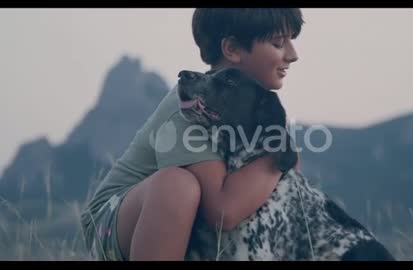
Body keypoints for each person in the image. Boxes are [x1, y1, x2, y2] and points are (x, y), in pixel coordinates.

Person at [80, 8, 304, 261]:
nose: (293, 55)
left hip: (190, 234)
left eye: (291, 41)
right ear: (232, 49)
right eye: (278, 43)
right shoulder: (189, 106)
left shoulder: (259, 112)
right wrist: (280, 157)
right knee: (177, 185)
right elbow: (223, 212)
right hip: (112, 228)